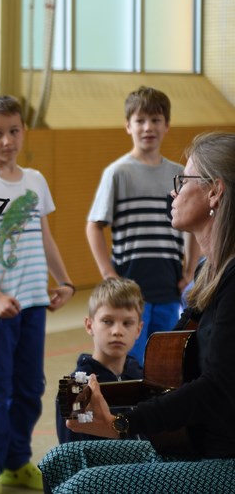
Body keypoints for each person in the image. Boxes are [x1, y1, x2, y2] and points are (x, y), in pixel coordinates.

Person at [40, 131, 235, 493]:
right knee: (60, 460)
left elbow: (217, 389)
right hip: (187, 444)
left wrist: (122, 422)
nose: (173, 192)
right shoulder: (209, 271)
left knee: (81, 486)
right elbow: (172, 369)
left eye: (183, 181)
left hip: (221, 461)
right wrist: (86, 394)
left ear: (214, 191)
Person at [0, 95, 75, 494]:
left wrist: (65, 282)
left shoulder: (35, 181)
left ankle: (17, 461)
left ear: (23, 131)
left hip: (33, 305)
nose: (6, 140)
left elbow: (45, 238)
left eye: (13, 131)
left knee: (29, 386)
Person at [85, 86, 200, 366]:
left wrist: (188, 270)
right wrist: (108, 272)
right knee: (129, 361)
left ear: (167, 125)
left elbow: (191, 225)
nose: (148, 127)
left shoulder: (178, 174)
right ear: (128, 126)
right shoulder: (118, 173)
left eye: (155, 120)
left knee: (163, 361)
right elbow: (94, 226)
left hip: (168, 287)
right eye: (140, 120)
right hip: (130, 289)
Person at [55, 277, 144, 445]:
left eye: (127, 323)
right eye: (107, 321)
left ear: (138, 330)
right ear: (89, 325)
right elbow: (74, 454)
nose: (117, 331)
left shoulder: (143, 378)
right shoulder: (76, 387)